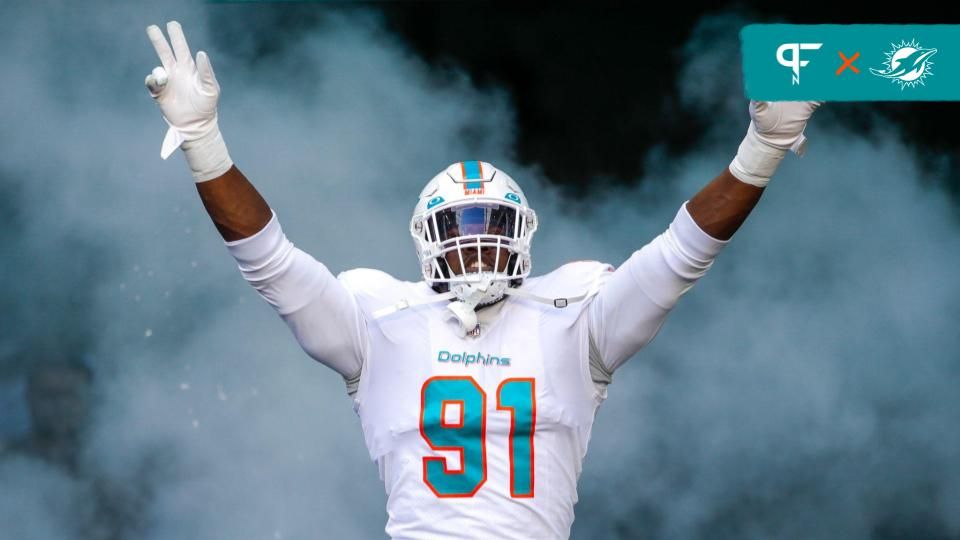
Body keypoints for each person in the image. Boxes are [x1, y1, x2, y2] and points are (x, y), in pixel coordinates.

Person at [143, 21, 822, 540]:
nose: (477, 245)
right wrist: (205, 143)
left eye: (492, 224)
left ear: (523, 230)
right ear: (426, 242)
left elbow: (680, 256)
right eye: (459, 232)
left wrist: (758, 152)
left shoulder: (574, 312)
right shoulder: (378, 318)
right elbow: (271, 261)